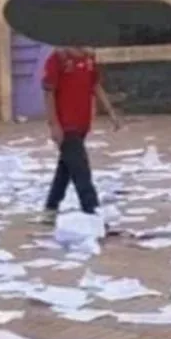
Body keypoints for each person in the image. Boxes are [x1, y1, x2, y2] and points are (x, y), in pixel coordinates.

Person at [35, 46, 121, 226]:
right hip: (66, 126)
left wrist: (111, 112)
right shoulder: (58, 58)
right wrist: (54, 124)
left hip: (82, 123)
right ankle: (92, 211)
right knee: (81, 171)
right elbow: (49, 92)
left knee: (66, 168)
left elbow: (95, 85)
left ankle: (50, 209)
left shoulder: (89, 58)